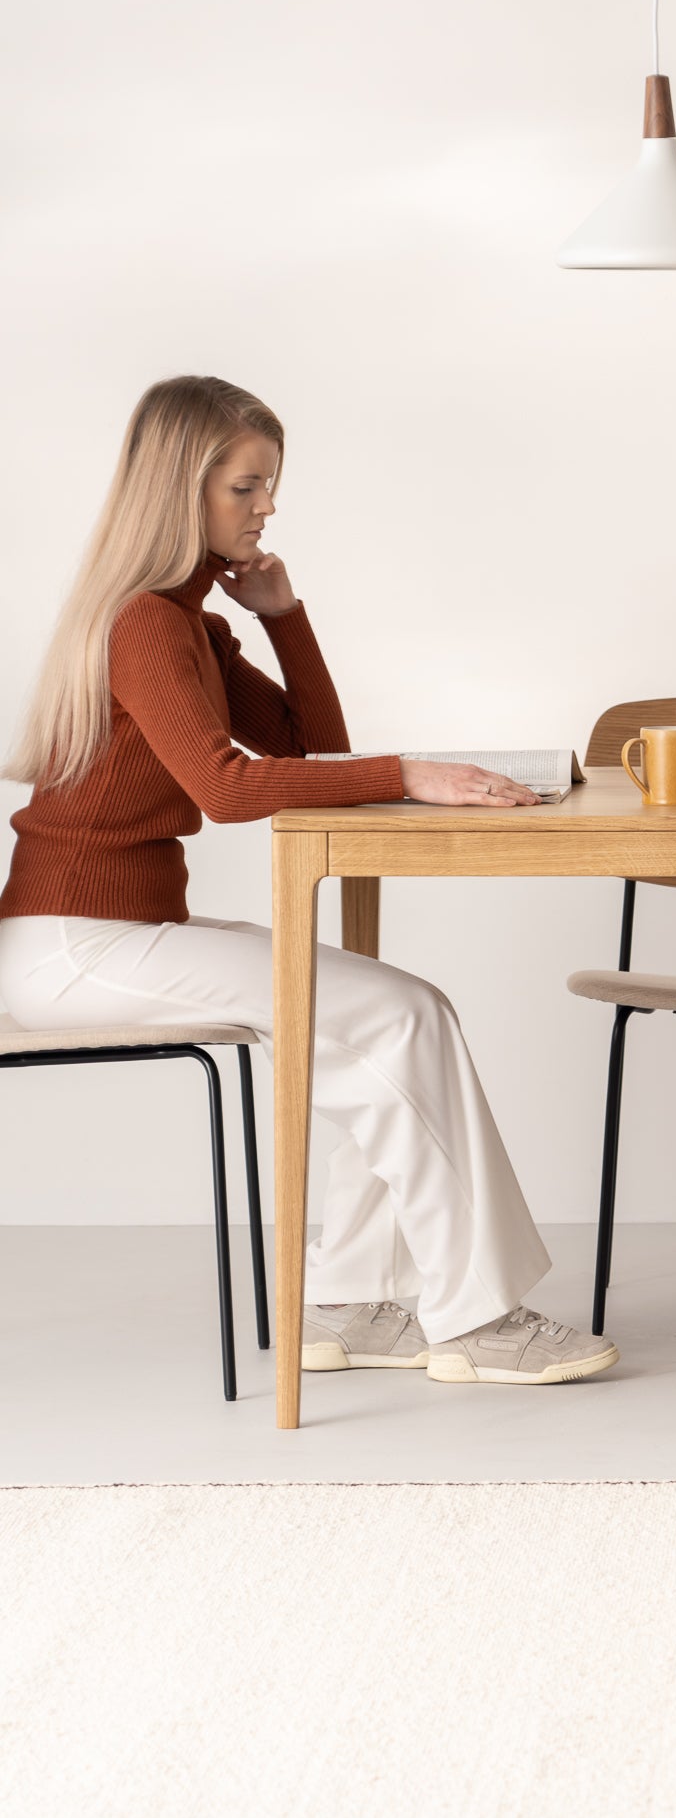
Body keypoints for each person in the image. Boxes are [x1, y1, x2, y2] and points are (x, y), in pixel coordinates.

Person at [0, 376, 618, 1387]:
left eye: (269, 487)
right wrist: (412, 772)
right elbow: (232, 787)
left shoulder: (187, 625)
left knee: (383, 1015)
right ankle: (476, 1318)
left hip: (109, 933)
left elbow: (313, 751)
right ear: (181, 489)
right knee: (399, 1015)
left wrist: (283, 618)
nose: (267, 507)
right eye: (247, 487)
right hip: (75, 945)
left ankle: (353, 1302)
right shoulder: (144, 623)